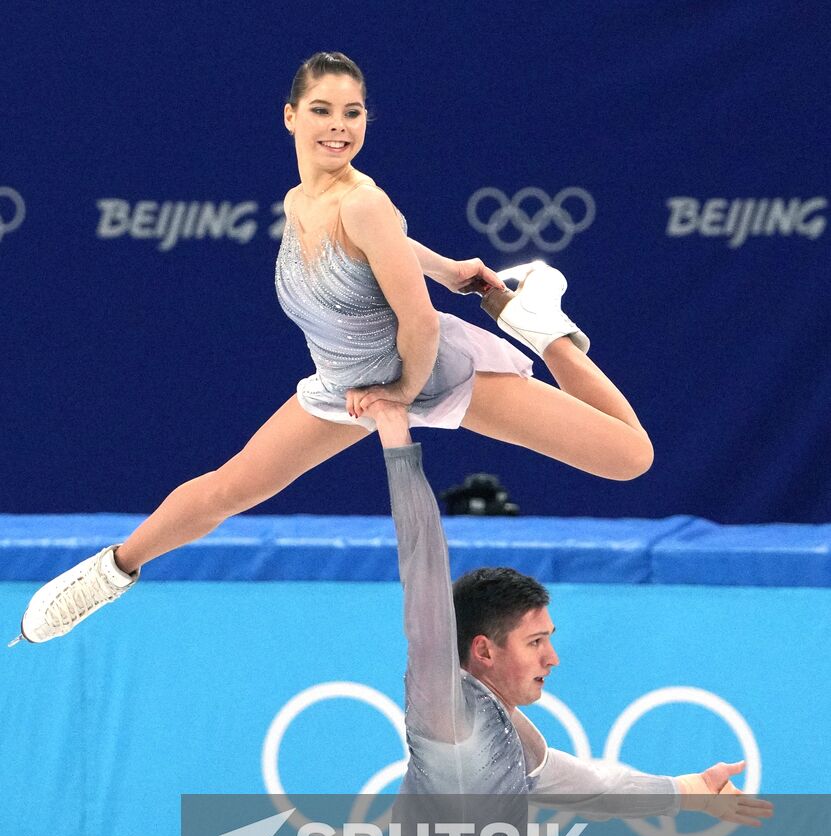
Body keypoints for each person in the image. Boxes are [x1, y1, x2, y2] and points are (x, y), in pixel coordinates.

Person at [10, 51, 655, 646]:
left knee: (629, 457)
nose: (338, 126)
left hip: (431, 375)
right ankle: (108, 572)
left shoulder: (367, 203)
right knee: (230, 487)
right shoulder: (300, 199)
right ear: (290, 117)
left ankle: (544, 330)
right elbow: (384, 252)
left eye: (352, 113)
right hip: (344, 380)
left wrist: (398, 397)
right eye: (322, 111)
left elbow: (421, 325)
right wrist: (448, 268)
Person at [332, 397, 773, 836]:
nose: (552, 659)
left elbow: (595, 788)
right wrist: (397, 445)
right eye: (536, 642)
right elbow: (423, 573)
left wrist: (693, 790)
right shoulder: (446, 710)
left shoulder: (512, 734)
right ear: (483, 650)